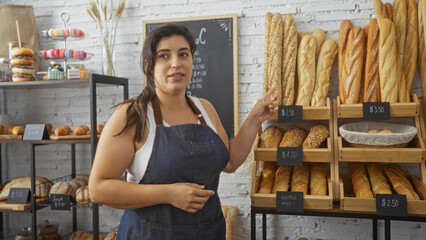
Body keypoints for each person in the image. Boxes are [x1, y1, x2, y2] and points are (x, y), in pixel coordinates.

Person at [88, 23, 277, 239]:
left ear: (192, 61)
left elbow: (230, 162)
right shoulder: (132, 115)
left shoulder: (205, 108)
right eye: (164, 56)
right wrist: (169, 194)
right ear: (149, 66)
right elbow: (98, 189)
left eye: (183, 54)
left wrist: (254, 119)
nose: (176, 63)